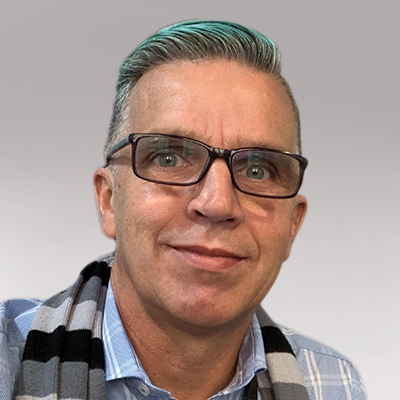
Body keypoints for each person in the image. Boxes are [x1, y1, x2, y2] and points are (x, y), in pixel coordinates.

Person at [0, 20, 366, 400]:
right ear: (108, 200)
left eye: (258, 169)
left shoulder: (335, 385)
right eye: (169, 158)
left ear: (293, 224)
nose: (217, 203)